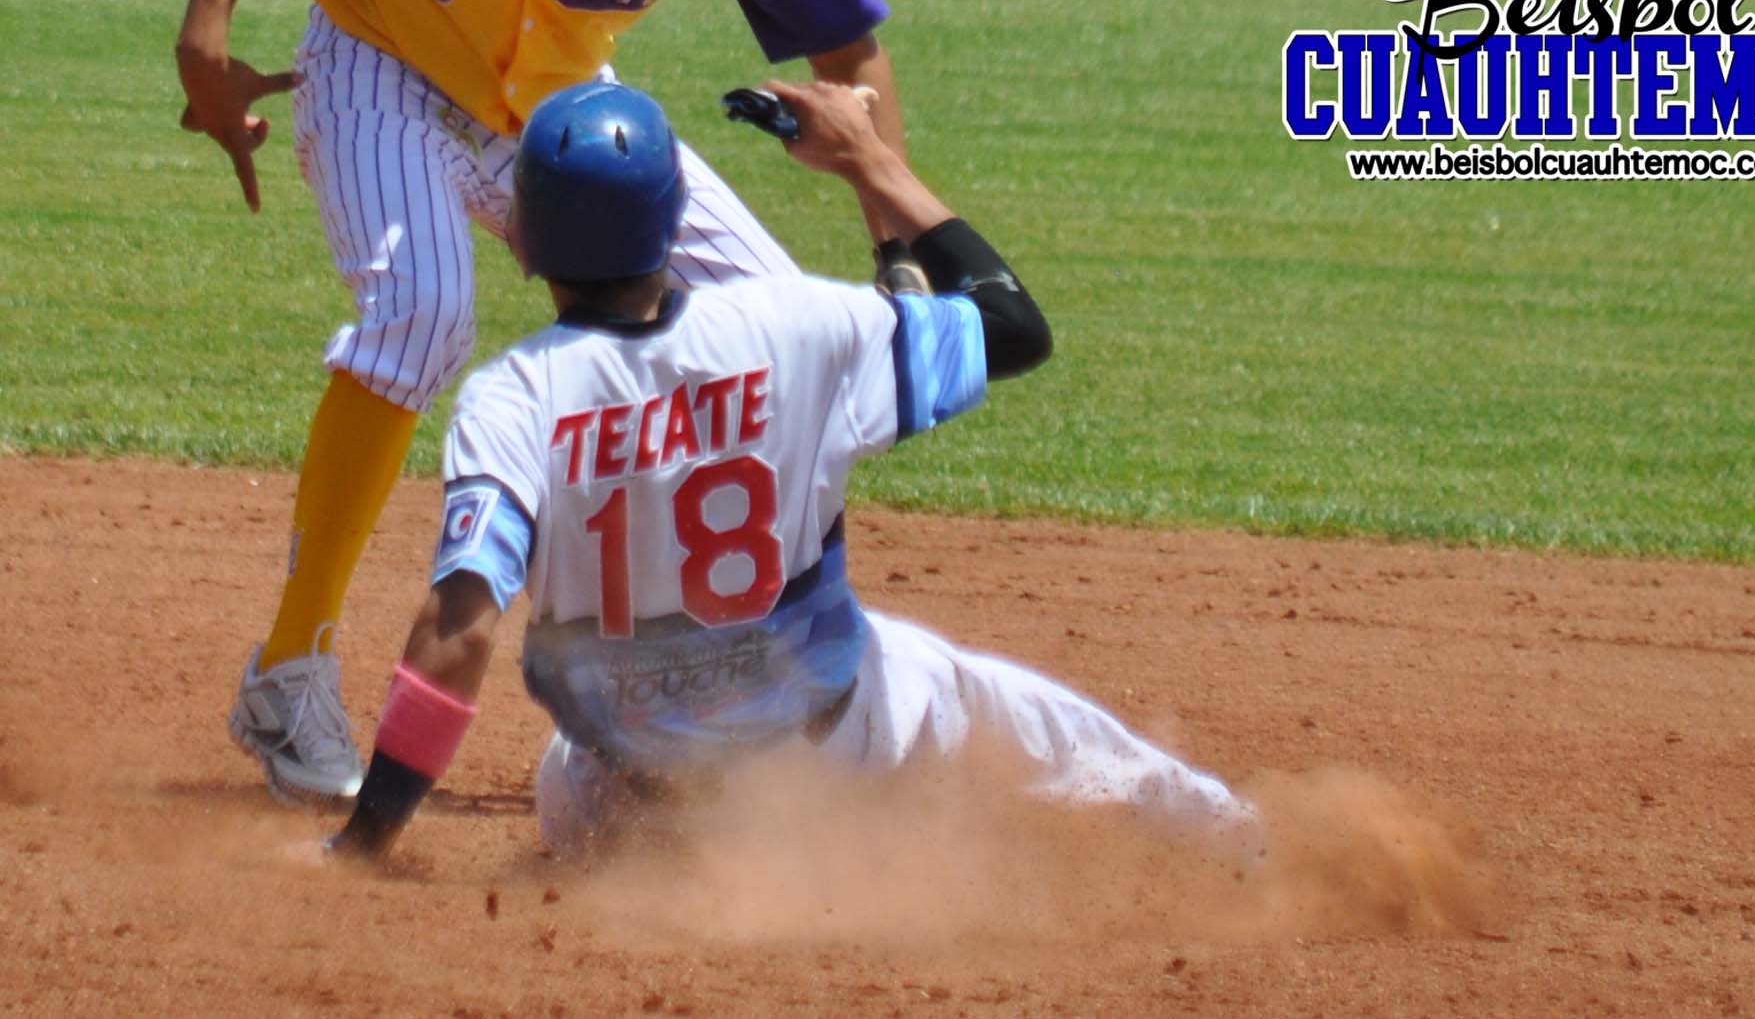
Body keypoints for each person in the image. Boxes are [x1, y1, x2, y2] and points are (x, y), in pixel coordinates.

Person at [175, 0, 926, 804]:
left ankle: (720, 695)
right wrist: (206, 39)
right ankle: (286, 674)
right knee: (419, 315)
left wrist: (893, 216)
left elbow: (848, 46)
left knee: (780, 327)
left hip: (560, 104)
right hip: (383, 61)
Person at [324, 79, 1255, 863]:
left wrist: (361, 845)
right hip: (834, 760)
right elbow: (1012, 328)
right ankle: (1242, 843)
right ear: (676, 216)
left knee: (576, 755)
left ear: (522, 237)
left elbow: (459, 634)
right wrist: (868, 162)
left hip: (618, 814)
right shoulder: (796, 324)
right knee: (970, 698)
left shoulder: (511, 400)